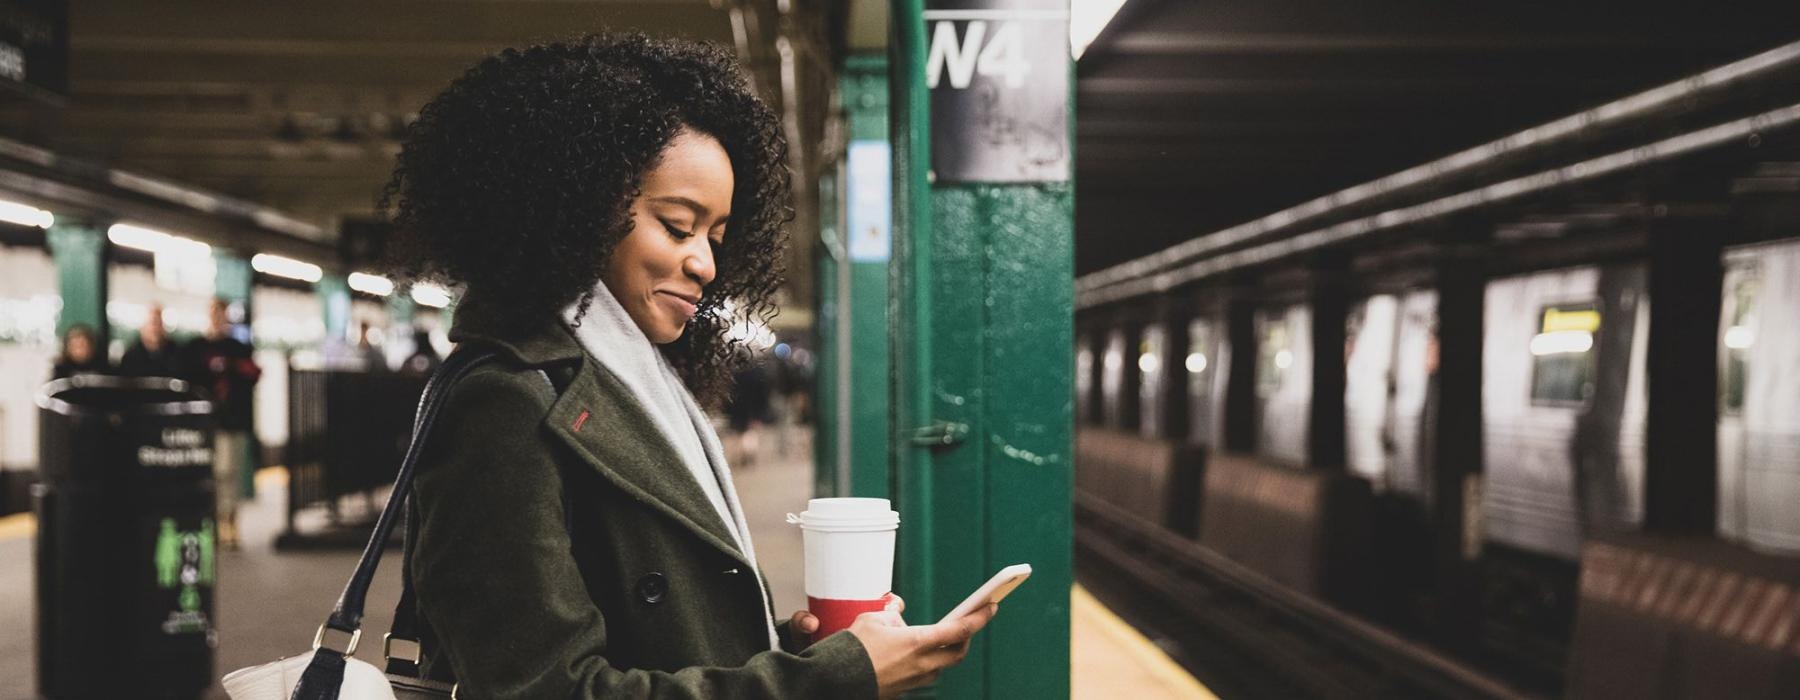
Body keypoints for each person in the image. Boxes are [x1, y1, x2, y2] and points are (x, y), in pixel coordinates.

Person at [382, 33, 994, 699]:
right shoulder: (504, 402)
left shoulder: (635, 384)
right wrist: (833, 680)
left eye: (717, 238)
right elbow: (548, 690)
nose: (705, 263)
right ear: (578, 209)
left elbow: (654, 637)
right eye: (677, 226)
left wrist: (794, 651)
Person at [184, 298, 261, 548]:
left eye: (221, 313)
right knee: (211, 474)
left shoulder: (237, 348)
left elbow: (253, 374)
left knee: (230, 472)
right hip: (205, 421)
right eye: (213, 313)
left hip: (231, 420)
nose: (217, 318)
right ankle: (214, 522)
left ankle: (229, 522)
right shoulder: (195, 348)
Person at [119, 303, 183, 378]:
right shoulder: (131, 356)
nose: (155, 328)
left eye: (158, 323)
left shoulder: (176, 354)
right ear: (142, 327)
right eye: (152, 323)